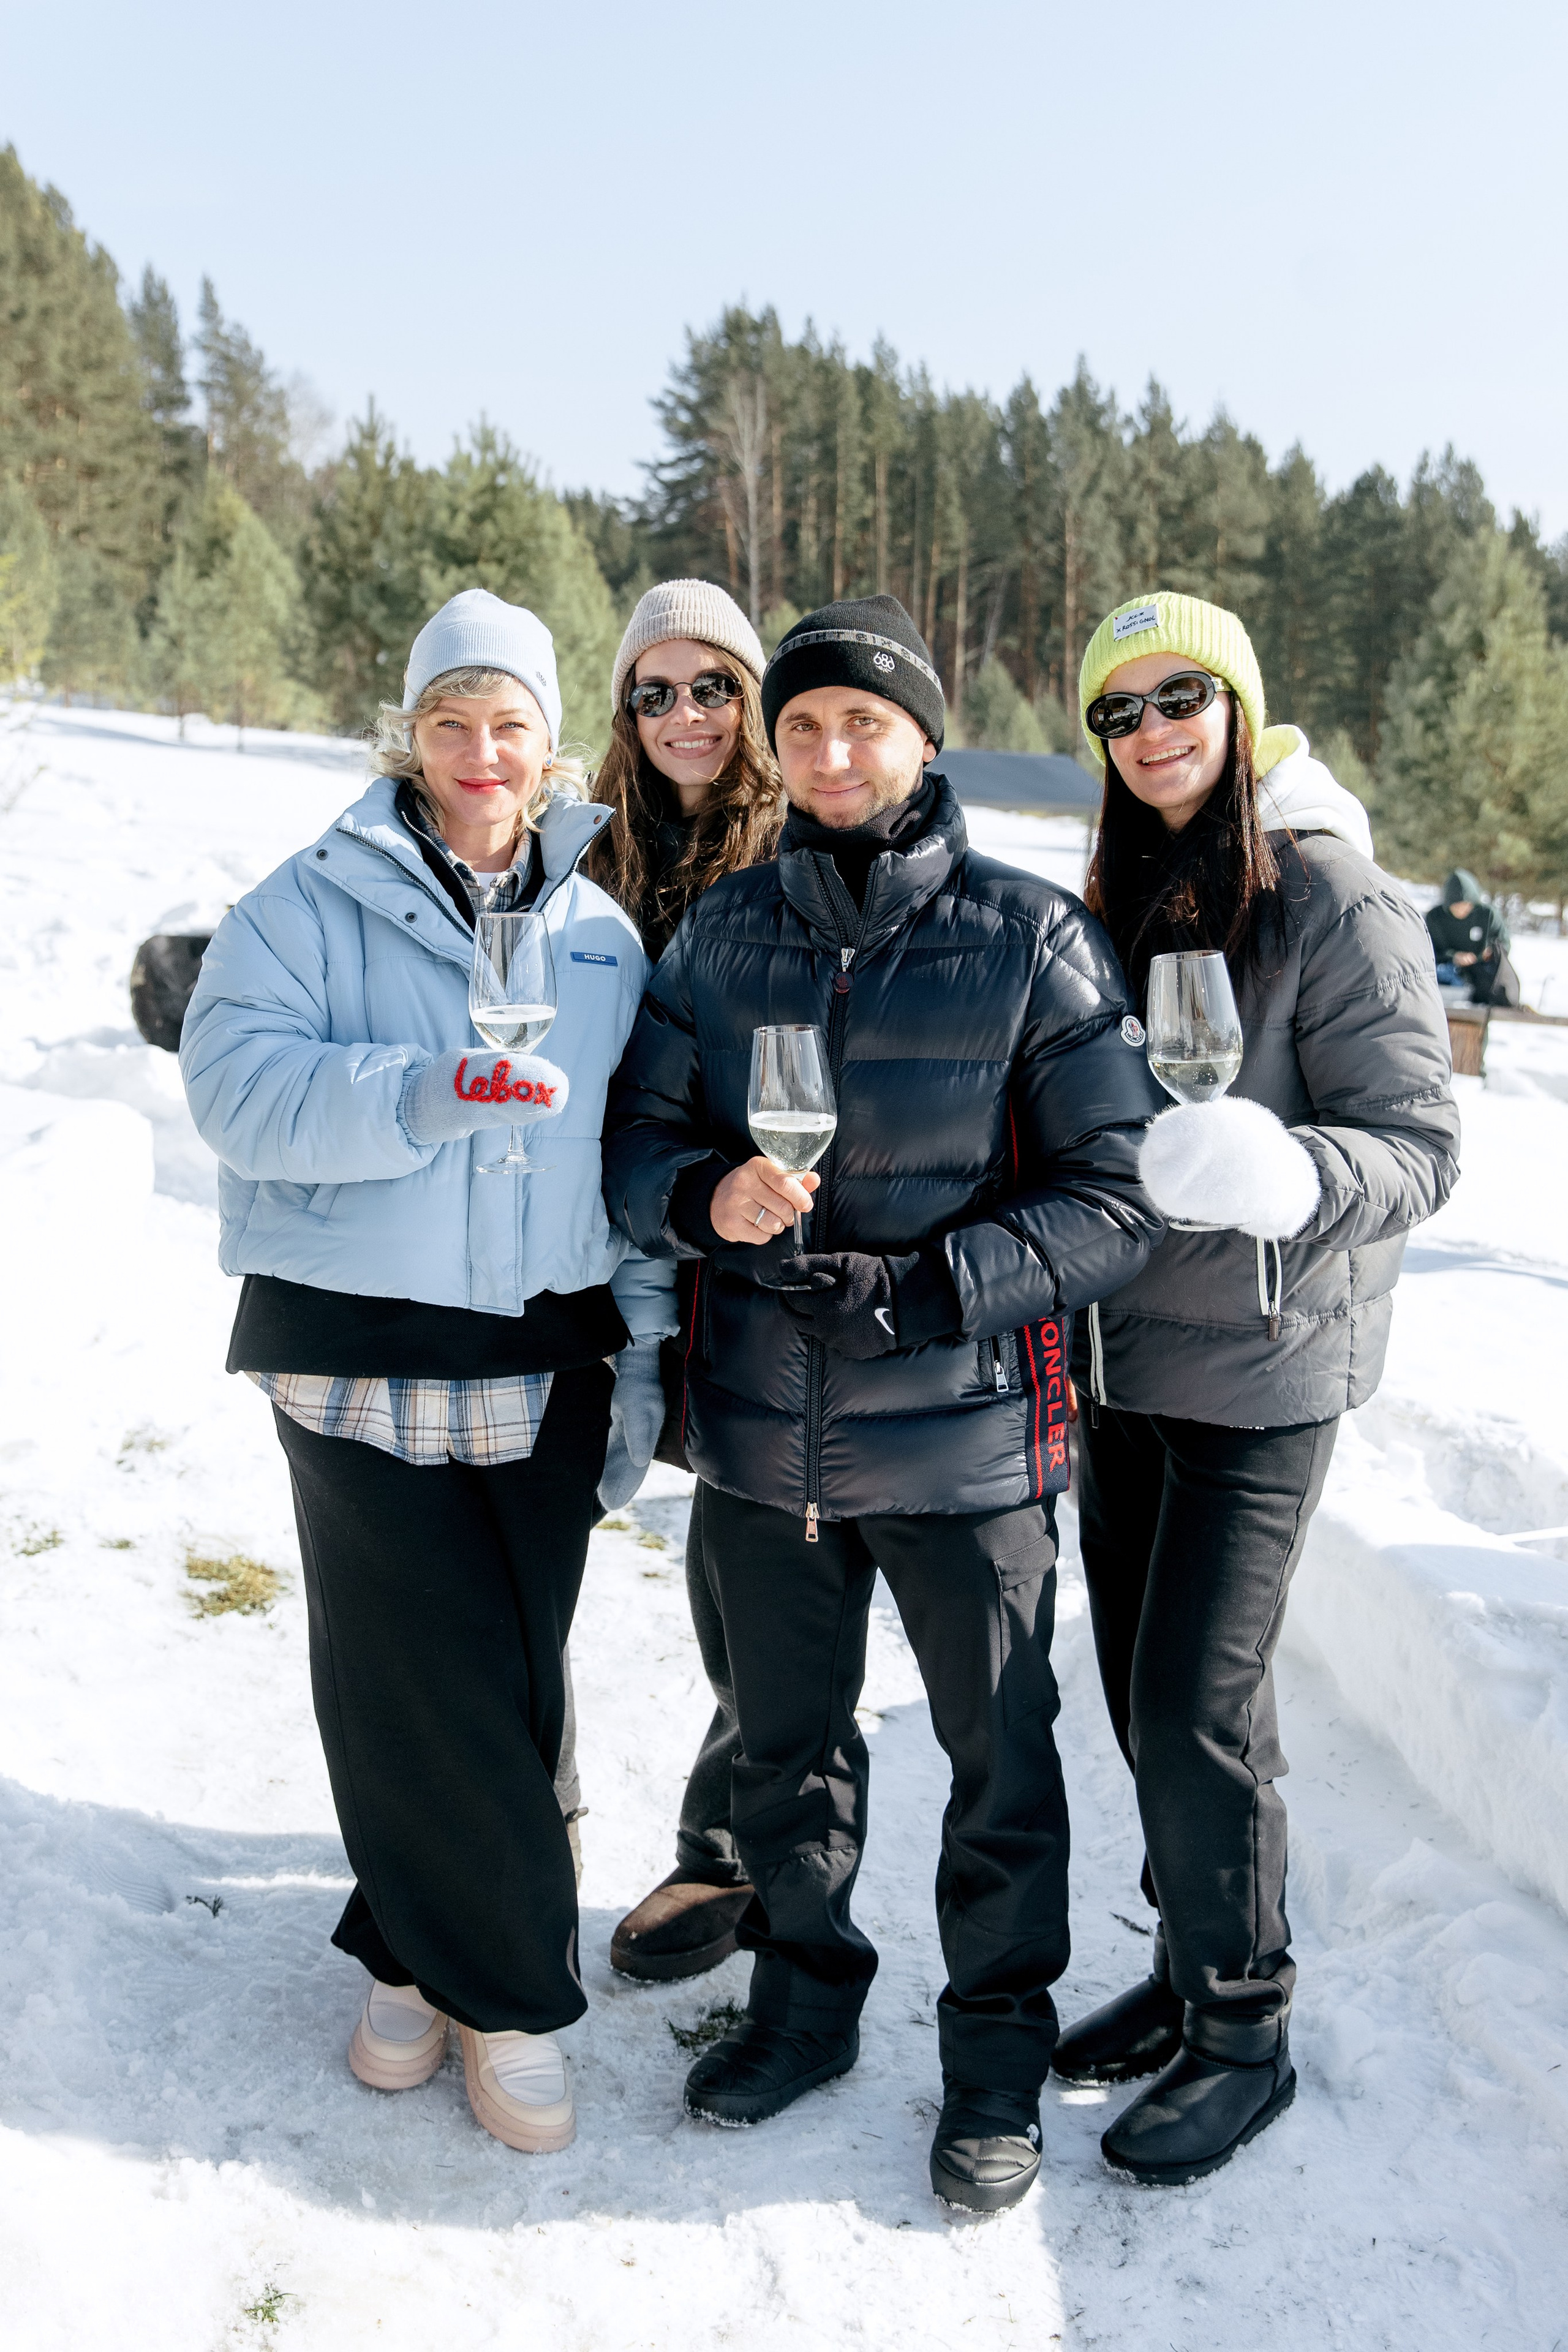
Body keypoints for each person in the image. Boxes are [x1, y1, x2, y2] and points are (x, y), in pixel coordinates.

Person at [603, 594, 1166, 2213]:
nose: (833, 752)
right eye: (802, 727)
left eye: (865, 721)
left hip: (971, 1448)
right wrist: (706, 1195)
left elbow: (1116, 1205)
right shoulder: (721, 937)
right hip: (765, 1446)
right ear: (776, 756)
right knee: (787, 1755)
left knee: (1001, 1770)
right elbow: (638, 1145)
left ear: (924, 740)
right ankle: (804, 2005)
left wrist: (933, 1289)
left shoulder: (1031, 938)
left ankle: (994, 2061)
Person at [181, 590, 676, 2156]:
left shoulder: (601, 929)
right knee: (417, 1666)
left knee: (502, 1671)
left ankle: (402, 1948)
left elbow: (625, 1155)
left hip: (548, 1348)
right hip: (352, 1342)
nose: (479, 752)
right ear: (409, 734)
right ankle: (511, 1994)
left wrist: (648, 1343)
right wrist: (422, 1090)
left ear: (547, 748)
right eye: (450, 722)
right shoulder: (307, 901)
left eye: (509, 724)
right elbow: (234, 1088)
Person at [1056, 592, 1459, 2185]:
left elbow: (1420, 1144)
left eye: (1181, 699)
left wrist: (1289, 1169)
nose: (1152, 731)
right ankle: (1179, 1967)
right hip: (1125, 1359)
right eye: (1120, 712)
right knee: (1140, 1696)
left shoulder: (1335, 898)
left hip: (1272, 1363)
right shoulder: (1111, 897)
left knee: (1200, 1706)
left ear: (1238, 709)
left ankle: (1247, 2028)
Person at [581, 580, 786, 1986]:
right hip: (590, 1251)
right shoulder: (579, 855)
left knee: (754, 1583)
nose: (683, 716)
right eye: (652, 692)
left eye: (709, 684)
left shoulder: (802, 845)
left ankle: (731, 1847)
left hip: (756, 1264)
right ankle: (511, 1833)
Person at [1425, 869, 1521, 1006]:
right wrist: (1454, 957)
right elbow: (1427, 950)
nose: (1461, 910)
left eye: (1466, 905)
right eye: (1456, 906)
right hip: (1445, 976)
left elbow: (1503, 943)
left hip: (1482, 977)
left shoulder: (1488, 915)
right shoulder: (1435, 918)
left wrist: (1490, 954)